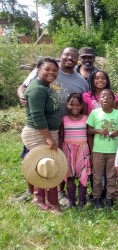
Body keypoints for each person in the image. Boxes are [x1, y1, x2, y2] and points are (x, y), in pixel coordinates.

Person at [17, 47, 89, 205]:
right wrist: (22, 95)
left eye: (74, 56)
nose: (70, 58)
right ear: (61, 56)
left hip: (65, 127)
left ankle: (57, 193)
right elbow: (23, 87)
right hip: (40, 127)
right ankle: (33, 193)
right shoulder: (46, 69)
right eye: (67, 54)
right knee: (33, 158)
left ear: (77, 60)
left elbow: (85, 102)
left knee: (59, 161)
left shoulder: (81, 81)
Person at [21, 57, 62, 214]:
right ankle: (46, 202)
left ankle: (45, 200)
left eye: (54, 70)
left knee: (48, 164)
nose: (51, 72)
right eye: (47, 69)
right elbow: (37, 116)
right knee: (46, 165)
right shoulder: (37, 89)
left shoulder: (45, 86)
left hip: (48, 132)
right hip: (39, 133)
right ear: (38, 69)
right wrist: (48, 138)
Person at [86, 89, 118, 209]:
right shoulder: (95, 113)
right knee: (97, 176)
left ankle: (109, 199)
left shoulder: (117, 114)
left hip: (113, 151)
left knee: (111, 176)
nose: (106, 99)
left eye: (109, 97)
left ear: (113, 100)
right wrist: (98, 131)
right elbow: (89, 130)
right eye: (103, 96)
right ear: (99, 99)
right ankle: (97, 198)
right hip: (98, 150)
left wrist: (116, 132)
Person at [59, 93, 91, 209]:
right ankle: (72, 201)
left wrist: (90, 152)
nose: (75, 107)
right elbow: (61, 136)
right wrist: (59, 152)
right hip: (68, 150)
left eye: (78, 105)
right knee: (70, 177)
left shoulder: (86, 119)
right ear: (67, 105)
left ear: (82, 106)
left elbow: (89, 135)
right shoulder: (64, 119)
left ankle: (82, 201)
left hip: (83, 149)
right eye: (71, 104)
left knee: (83, 175)